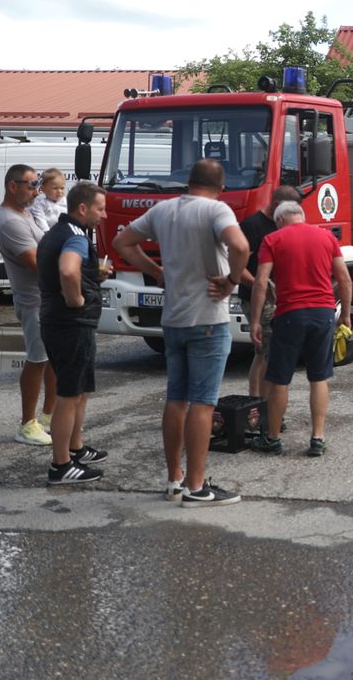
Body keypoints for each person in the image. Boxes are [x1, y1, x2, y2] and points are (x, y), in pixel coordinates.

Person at [113, 159, 249, 507]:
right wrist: (232, 281)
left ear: (189, 181)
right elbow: (241, 246)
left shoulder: (164, 210)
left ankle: (174, 480)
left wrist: (156, 271)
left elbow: (123, 242)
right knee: (203, 403)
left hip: (172, 320)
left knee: (176, 400)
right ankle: (197, 486)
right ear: (221, 187)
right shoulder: (216, 211)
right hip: (208, 318)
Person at [249, 200, 351, 457]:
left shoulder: (273, 239)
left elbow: (261, 282)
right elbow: (344, 278)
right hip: (323, 314)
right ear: (302, 217)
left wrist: (255, 321)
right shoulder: (326, 237)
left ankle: (273, 438)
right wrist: (346, 314)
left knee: (279, 378)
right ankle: (317, 437)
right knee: (318, 377)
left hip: (289, 314)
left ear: (280, 220)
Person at [37, 182, 109, 484]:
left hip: (58, 321)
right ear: (83, 208)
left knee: (80, 388)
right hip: (69, 323)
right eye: (100, 208)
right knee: (68, 394)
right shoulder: (75, 236)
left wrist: (93, 274)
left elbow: (67, 270)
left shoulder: (58, 232)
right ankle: (61, 465)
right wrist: (76, 299)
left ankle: (75, 449)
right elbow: (67, 270)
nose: (104, 216)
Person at [0, 165, 56, 446]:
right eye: (32, 185)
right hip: (33, 302)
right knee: (37, 360)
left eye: (39, 184)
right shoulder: (9, 221)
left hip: (46, 299)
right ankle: (27, 424)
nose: (37, 190)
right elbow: (37, 264)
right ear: (12, 186)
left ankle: (47, 418)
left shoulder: (25, 214)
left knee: (53, 359)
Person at [239, 185, 301, 399]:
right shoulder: (251, 226)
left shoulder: (286, 224)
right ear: (277, 207)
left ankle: (256, 403)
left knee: (263, 354)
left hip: (279, 299)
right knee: (267, 354)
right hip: (260, 299)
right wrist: (261, 286)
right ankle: (262, 407)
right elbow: (236, 267)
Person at [29, 168, 67, 234]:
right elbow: (40, 219)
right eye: (55, 188)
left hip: (67, 233)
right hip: (50, 234)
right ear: (43, 188)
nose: (59, 191)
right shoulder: (41, 204)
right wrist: (47, 232)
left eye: (62, 188)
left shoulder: (67, 202)